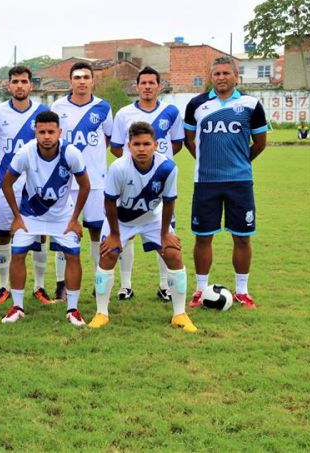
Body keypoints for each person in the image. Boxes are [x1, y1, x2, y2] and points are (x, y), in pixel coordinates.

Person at [88, 122, 197, 332]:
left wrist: (165, 234)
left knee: (173, 254)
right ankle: (101, 313)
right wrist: (115, 236)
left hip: (152, 219)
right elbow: (109, 202)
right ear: (129, 145)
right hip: (120, 219)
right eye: (136, 144)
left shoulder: (168, 168)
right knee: (108, 255)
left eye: (146, 144)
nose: (141, 149)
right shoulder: (119, 167)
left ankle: (180, 314)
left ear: (155, 145)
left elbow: (169, 201)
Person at [184, 57, 267, 309]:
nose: (221, 77)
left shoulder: (251, 105)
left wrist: (241, 162)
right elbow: (190, 141)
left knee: (242, 238)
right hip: (206, 182)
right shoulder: (197, 104)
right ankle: (200, 290)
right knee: (203, 237)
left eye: (226, 73)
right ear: (211, 77)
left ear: (236, 77)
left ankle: (242, 291)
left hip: (240, 182)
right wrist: (207, 164)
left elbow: (260, 143)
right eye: (217, 73)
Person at [0, 111, 90, 326]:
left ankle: (73, 309)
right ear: (36, 133)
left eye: (51, 132)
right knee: (18, 253)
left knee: (73, 256)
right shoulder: (26, 152)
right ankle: (18, 306)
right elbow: (6, 183)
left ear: (60, 132)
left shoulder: (71, 153)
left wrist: (75, 219)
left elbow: (85, 185)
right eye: (42, 132)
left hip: (63, 216)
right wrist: (17, 217)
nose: (47, 136)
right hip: (30, 214)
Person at [110, 66, 183, 302]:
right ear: (137, 86)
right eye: (144, 83)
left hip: (159, 183)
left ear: (159, 86)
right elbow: (116, 146)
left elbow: (177, 144)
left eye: (152, 82)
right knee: (126, 233)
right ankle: (126, 285)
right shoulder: (123, 114)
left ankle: (164, 286)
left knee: (165, 235)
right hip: (129, 181)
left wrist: (158, 168)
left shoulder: (171, 111)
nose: (148, 87)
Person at [0, 66, 52, 307]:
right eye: (15, 81)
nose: (19, 85)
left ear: (31, 85)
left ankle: (39, 286)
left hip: (37, 182)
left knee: (40, 232)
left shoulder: (43, 112)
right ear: (8, 85)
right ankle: (4, 286)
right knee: (4, 233)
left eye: (24, 81)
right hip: (6, 182)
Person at [50, 62, 113, 294]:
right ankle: (61, 284)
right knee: (63, 231)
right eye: (77, 77)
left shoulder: (103, 107)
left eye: (86, 77)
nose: (82, 81)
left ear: (93, 80)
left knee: (97, 232)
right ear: (70, 81)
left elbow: (108, 137)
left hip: (96, 181)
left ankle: (99, 282)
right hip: (65, 182)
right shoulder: (57, 106)